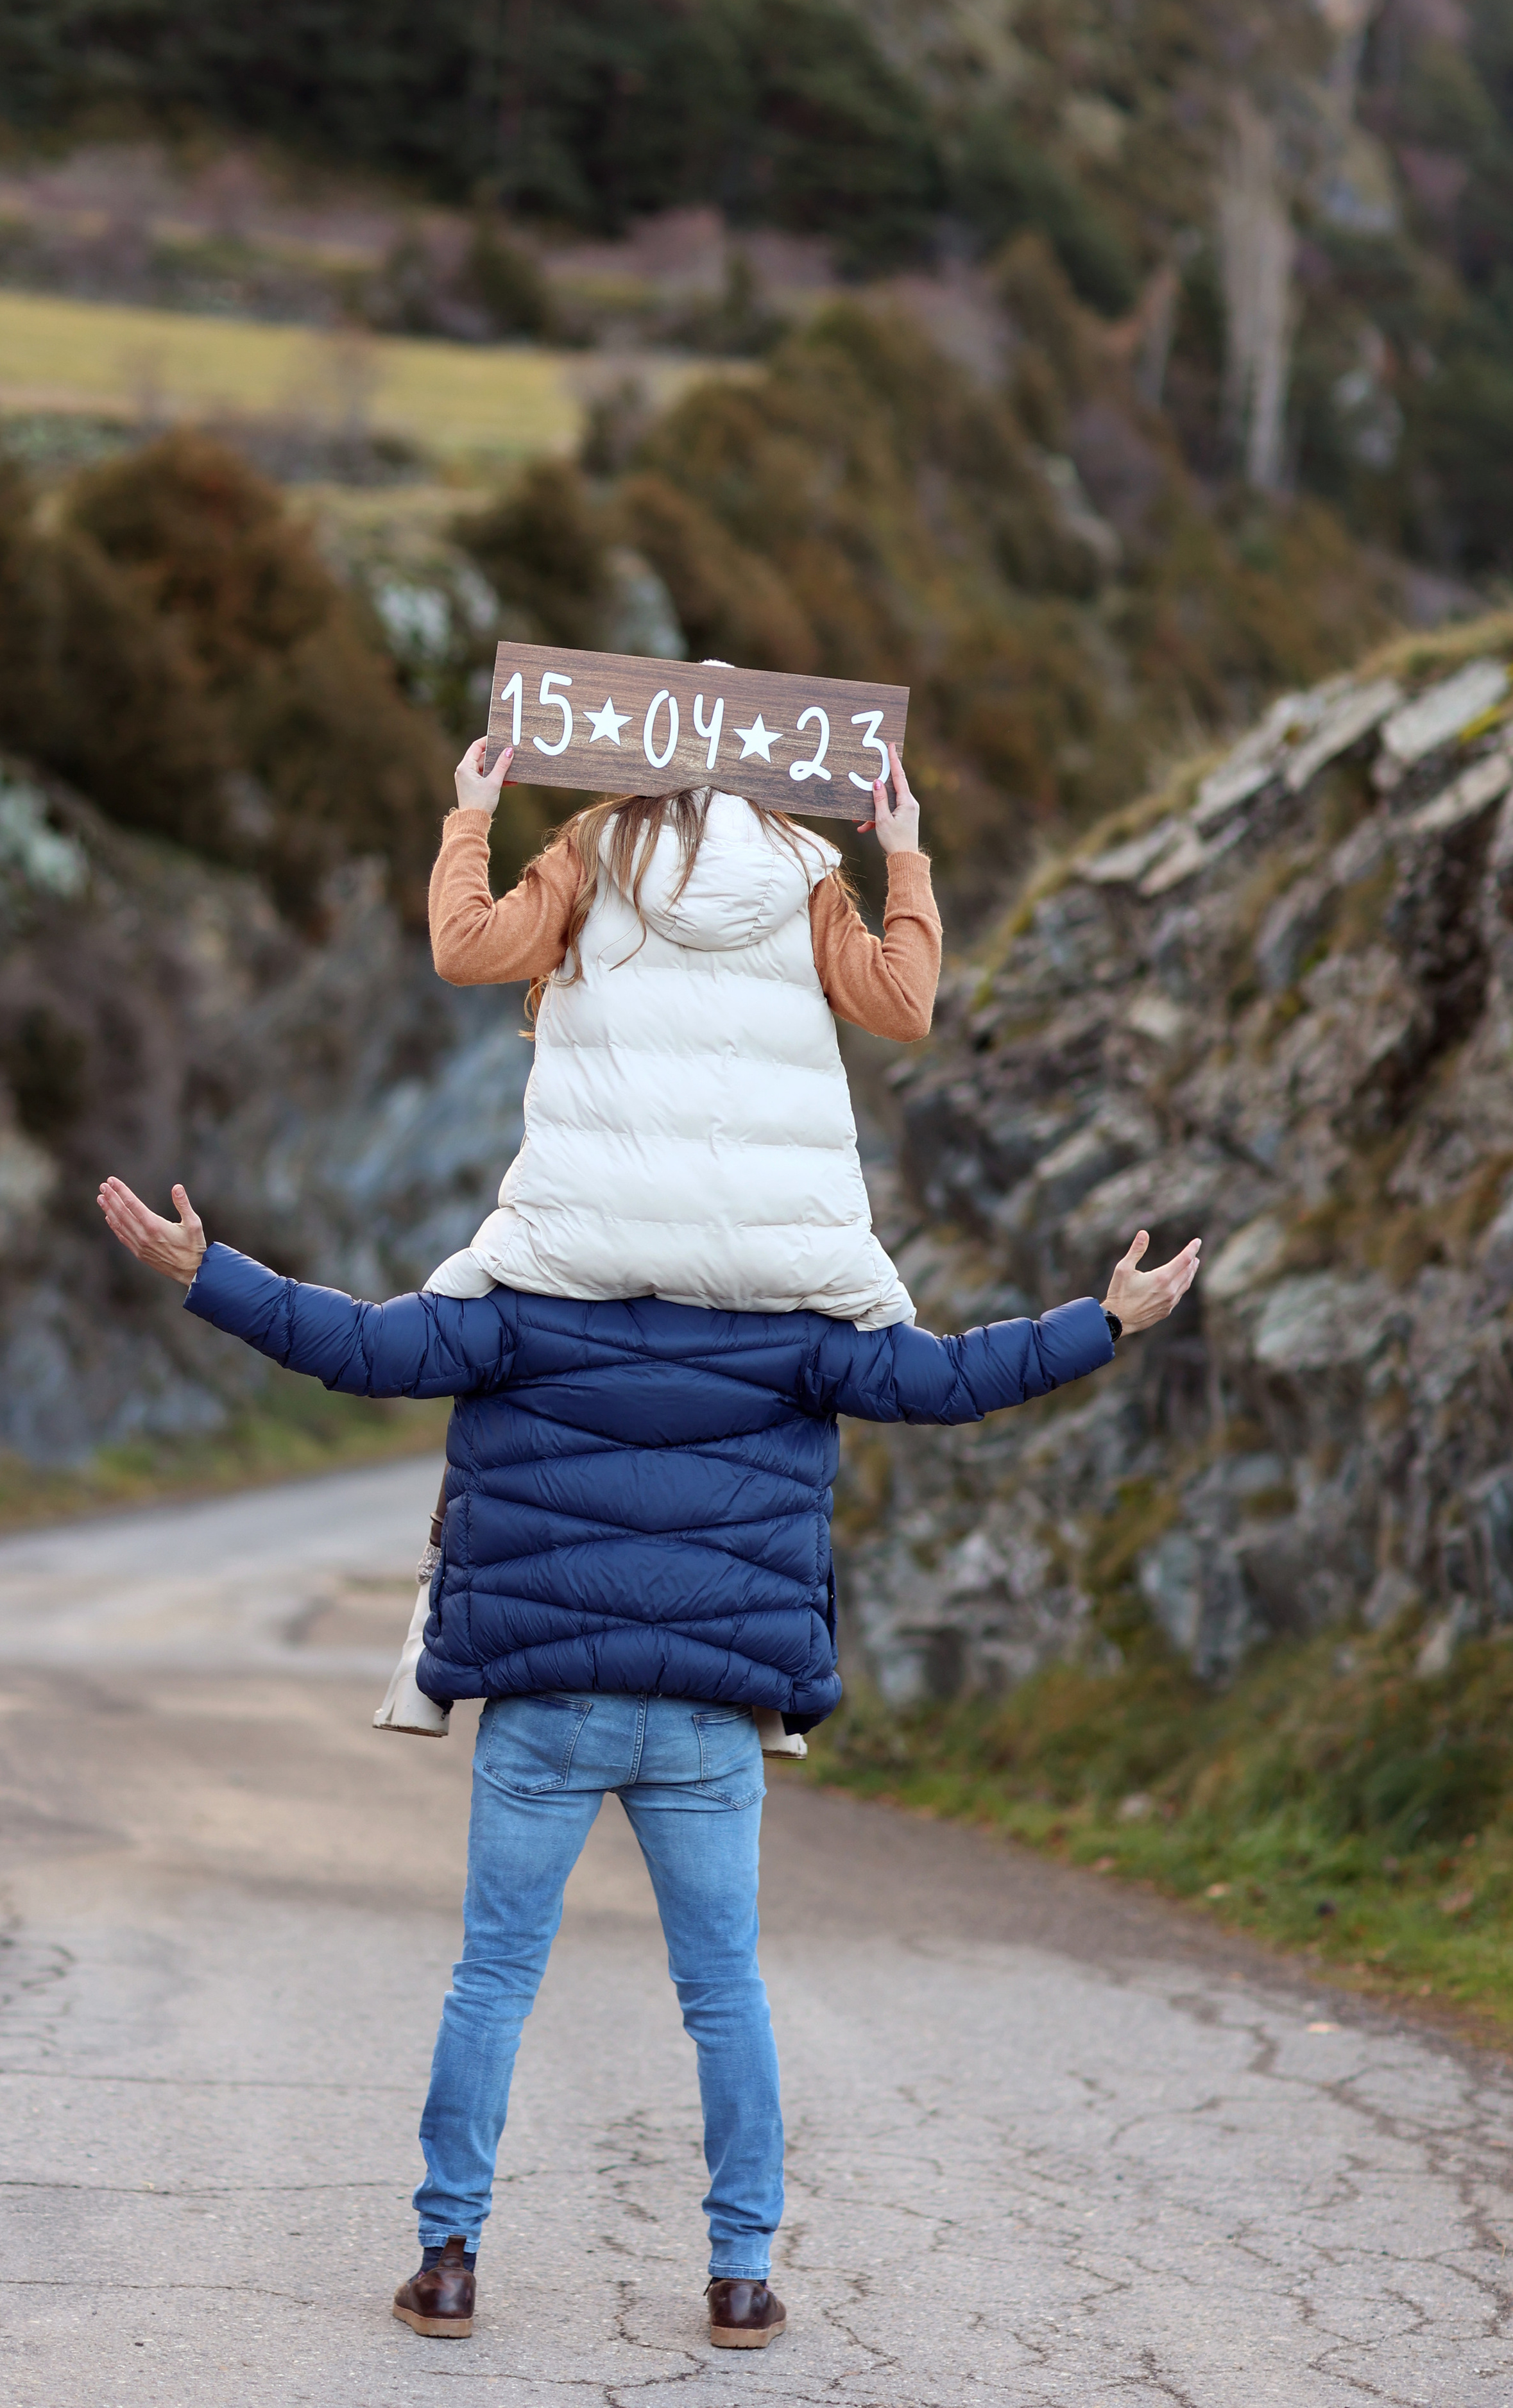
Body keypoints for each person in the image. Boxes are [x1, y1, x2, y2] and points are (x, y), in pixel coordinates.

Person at [97, 1167, 1199, 2350]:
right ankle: (739, 2281)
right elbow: (949, 1380)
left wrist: (206, 1271)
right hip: (707, 1718)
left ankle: (449, 2265)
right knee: (724, 1995)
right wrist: (1107, 1321)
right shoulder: (795, 1331)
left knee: (494, 1983)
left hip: (546, 1701)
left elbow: (356, 1347)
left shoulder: (519, 1308)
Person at [379, 721, 941, 1747]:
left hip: (585, 1228)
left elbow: (467, 952)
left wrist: (472, 815)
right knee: (771, 1444)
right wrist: (903, 854)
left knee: (497, 1403)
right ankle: (774, 1709)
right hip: (773, 1242)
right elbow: (902, 1005)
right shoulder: (807, 873)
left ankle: (428, 1668)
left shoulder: (594, 857)